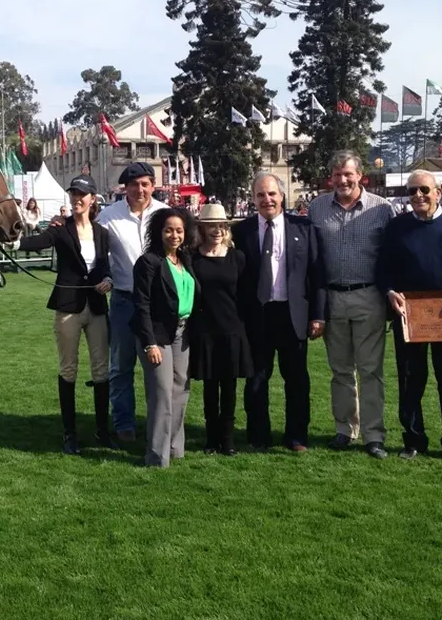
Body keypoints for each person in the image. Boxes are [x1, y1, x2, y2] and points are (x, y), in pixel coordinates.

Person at [376, 170, 442, 467]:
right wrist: (389, 291)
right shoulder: (397, 227)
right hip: (408, 316)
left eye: (424, 189)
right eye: (412, 191)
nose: (418, 196)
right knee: (411, 381)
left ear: (438, 192)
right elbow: (383, 270)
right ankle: (413, 440)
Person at [10, 175, 116, 454]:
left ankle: (102, 431)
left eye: (82, 194)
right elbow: (39, 241)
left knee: (101, 370)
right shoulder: (60, 229)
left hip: (96, 307)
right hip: (68, 307)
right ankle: (70, 434)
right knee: (68, 369)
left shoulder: (102, 233)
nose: (77, 199)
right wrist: (14, 243)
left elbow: (105, 266)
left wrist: (109, 280)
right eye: (73, 194)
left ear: (92, 199)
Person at [307, 151, 395, 459]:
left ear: (360, 176)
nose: (342, 180)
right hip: (332, 298)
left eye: (348, 174)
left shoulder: (382, 209)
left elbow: (394, 255)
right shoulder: (316, 208)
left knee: (371, 370)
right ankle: (345, 430)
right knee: (340, 370)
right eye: (336, 174)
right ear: (330, 177)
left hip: (369, 296)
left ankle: (373, 435)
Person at [232, 171, 326, 452]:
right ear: (253, 199)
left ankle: (296, 436)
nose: (267, 199)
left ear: (282, 196)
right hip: (257, 316)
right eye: (260, 195)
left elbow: (317, 275)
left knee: (297, 380)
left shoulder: (303, 228)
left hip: (292, 315)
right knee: (257, 379)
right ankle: (258, 435)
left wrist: (319, 315)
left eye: (272, 194)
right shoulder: (241, 231)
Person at [97, 162, 169, 442]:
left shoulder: (164, 214)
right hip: (125, 300)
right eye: (134, 184)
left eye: (145, 184)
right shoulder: (108, 216)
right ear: (124, 187)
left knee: (158, 369)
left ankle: (157, 424)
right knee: (121, 367)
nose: (140, 189)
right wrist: (107, 278)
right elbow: (99, 256)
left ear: (153, 185)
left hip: (159, 304)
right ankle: (124, 423)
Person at [132, 207, 198, 467]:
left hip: (182, 333)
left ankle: (174, 448)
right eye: (169, 229)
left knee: (181, 390)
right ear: (159, 231)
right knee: (161, 394)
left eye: (179, 230)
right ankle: (157, 456)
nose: (174, 235)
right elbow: (142, 305)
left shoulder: (184, 260)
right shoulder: (149, 262)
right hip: (157, 336)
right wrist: (150, 343)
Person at [189, 203, 253, 456]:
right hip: (204, 329)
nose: (216, 230)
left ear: (226, 228)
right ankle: (210, 439)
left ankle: (227, 440)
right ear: (202, 229)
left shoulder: (237, 257)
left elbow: (245, 295)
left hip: (232, 328)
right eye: (211, 226)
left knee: (228, 387)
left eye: (221, 226)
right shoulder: (193, 257)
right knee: (209, 387)